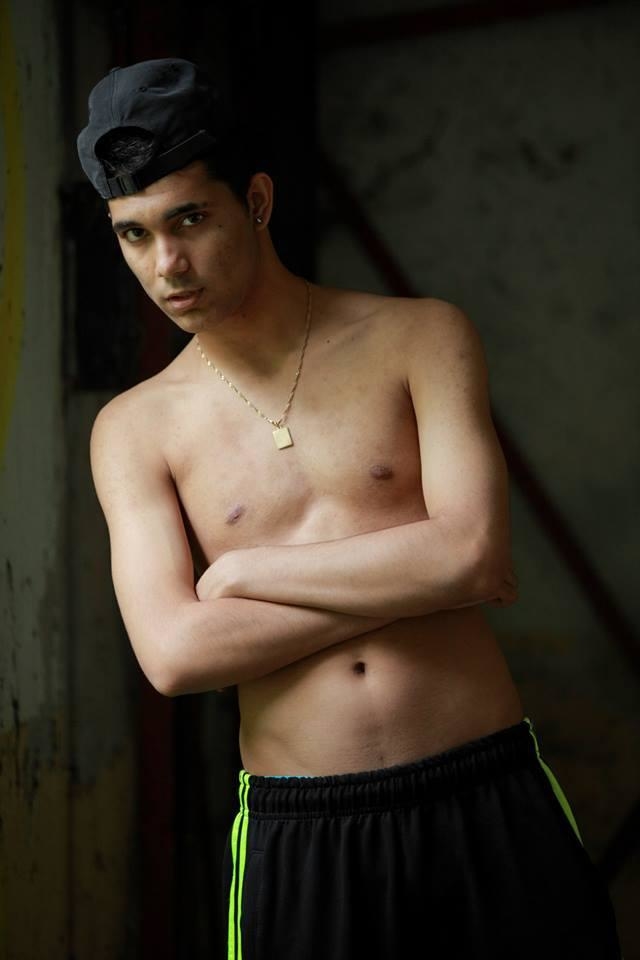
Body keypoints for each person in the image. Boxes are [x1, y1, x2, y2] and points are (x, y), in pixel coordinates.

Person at [78, 58, 621, 959]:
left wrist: (249, 573)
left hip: (485, 795)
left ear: (256, 201)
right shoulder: (133, 430)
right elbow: (175, 655)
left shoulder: (419, 336)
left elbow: (475, 556)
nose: (166, 265)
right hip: (303, 832)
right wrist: (420, 574)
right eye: (134, 235)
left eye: (190, 219)